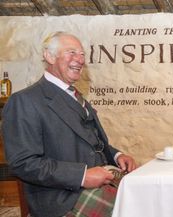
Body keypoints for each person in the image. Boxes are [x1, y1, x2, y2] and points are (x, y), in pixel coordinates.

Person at [2, 31, 137, 217]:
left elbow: (93, 143)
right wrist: (82, 176)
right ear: (49, 56)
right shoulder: (24, 100)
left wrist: (116, 155)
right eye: (71, 52)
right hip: (63, 198)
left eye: (82, 54)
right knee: (139, 206)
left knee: (145, 194)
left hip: (99, 182)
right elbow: (23, 163)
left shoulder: (75, 96)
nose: (80, 60)